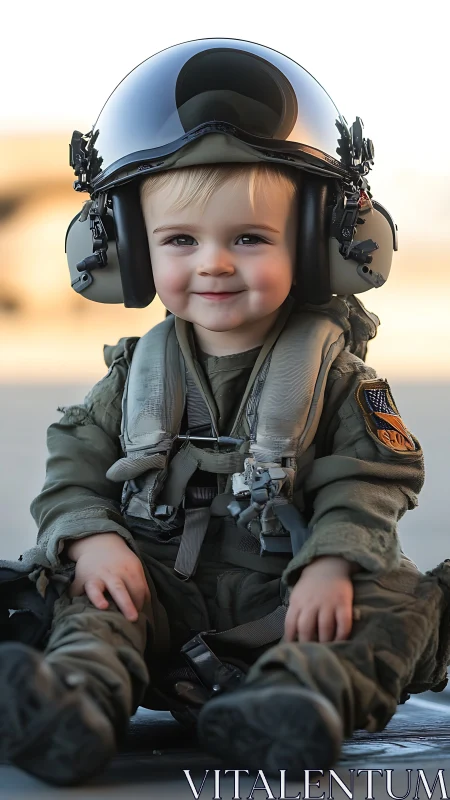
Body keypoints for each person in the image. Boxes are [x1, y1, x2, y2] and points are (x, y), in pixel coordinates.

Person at [1, 38, 449, 787]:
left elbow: (371, 480)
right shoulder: (135, 374)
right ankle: (72, 709)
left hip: (295, 602)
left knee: (400, 598)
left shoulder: (338, 376)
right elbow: (73, 469)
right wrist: (91, 541)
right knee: (87, 600)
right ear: (132, 252)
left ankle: (296, 702)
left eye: (248, 239)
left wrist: (332, 564)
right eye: (180, 241)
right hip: (155, 601)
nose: (213, 263)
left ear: (312, 246)